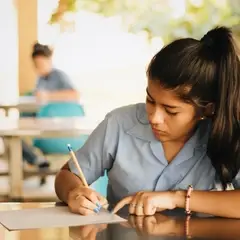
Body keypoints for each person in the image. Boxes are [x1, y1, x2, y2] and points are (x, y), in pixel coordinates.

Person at [55, 26, 240, 218]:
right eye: (150, 100)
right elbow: (68, 175)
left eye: (170, 110)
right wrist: (74, 193)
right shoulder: (119, 124)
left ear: (207, 108)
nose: (154, 117)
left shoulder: (226, 133)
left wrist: (176, 198)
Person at [22, 42, 80, 170]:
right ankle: (35, 159)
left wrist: (48, 96)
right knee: (16, 136)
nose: (38, 67)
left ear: (49, 61)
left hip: (59, 126)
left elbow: (75, 94)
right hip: (43, 121)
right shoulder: (41, 79)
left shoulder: (59, 76)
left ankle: (35, 159)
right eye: (36, 65)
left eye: (41, 64)